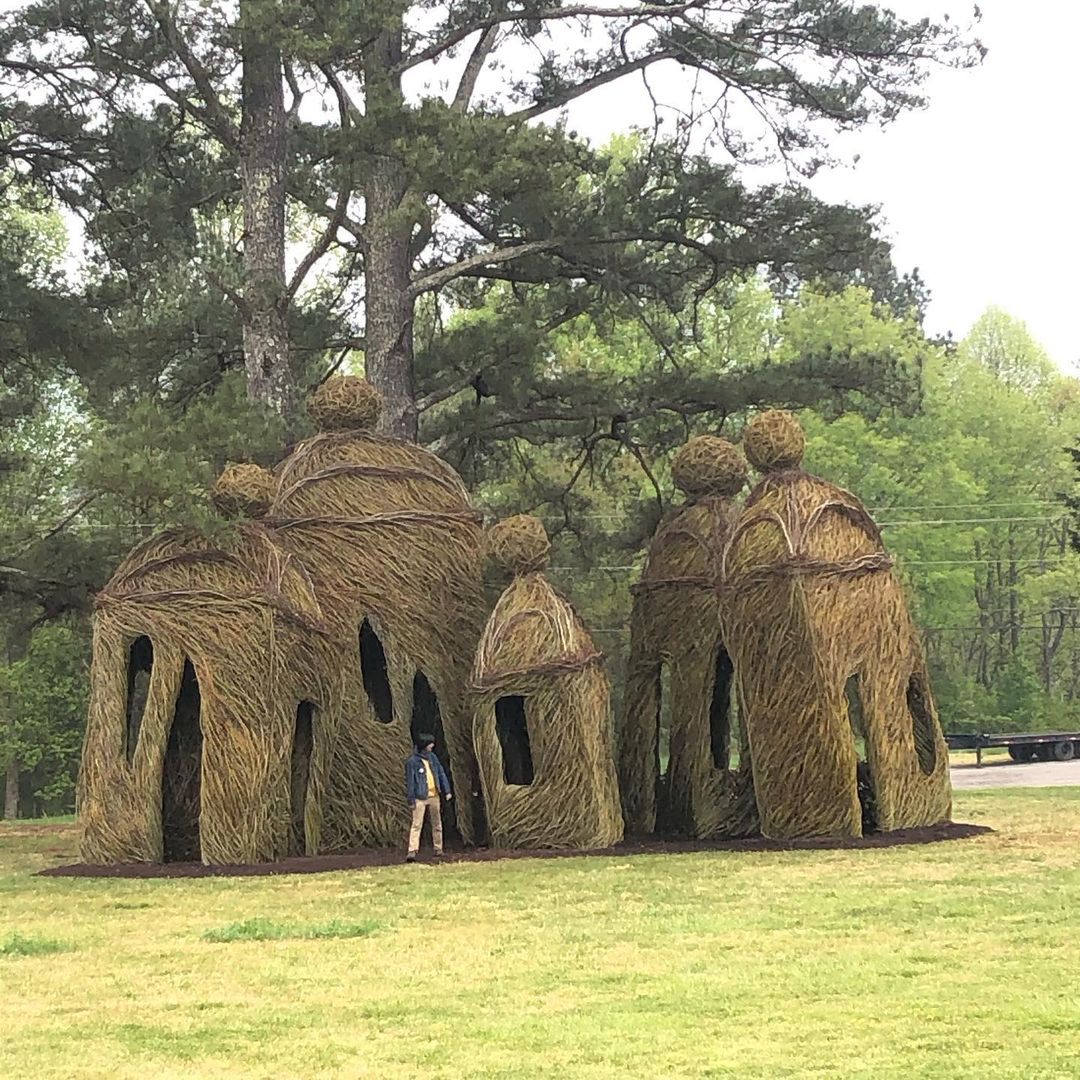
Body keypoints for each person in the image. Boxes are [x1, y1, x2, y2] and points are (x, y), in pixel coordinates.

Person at [405, 732, 452, 862]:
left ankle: (438, 848)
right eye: (430, 743)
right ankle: (412, 850)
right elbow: (410, 781)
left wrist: (446, 790)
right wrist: (411, 799)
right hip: (420, 797)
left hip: (434, 796)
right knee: (417, 824)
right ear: (424, 745)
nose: (432, 746)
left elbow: (440, 773)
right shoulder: (412, 762)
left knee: (437, 823)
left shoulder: (433, 758)